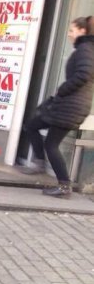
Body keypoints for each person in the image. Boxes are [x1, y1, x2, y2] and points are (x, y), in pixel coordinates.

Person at [18, 16, 94, 197]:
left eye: (71, 30)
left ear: (82, 31)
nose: (69, 34)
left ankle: (64, 185)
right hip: (69, 105)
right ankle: (39, 163)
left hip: (70, 106)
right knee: (31, 126)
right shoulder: (86, 49)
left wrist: (62, 89)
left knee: (51, 144)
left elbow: (83, 74)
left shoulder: (85, 49)